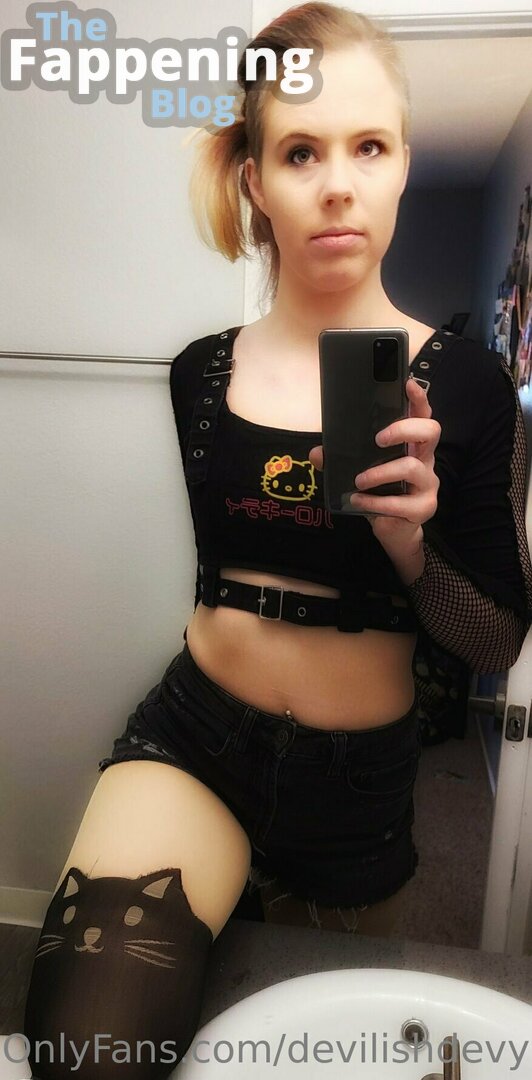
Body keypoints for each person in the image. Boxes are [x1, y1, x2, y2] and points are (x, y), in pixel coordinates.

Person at [23, 3, 532, 1077]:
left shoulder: (473, 386)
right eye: (301, 151)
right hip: (195, 744)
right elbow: (223, 579)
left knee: (314, 1056)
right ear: (256, 181)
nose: (337, 183)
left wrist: (409, 543)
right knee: (87, 1049)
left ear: (402, 165)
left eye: (369, 146)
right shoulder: (198, 374)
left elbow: (492, 642)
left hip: (357, 788)